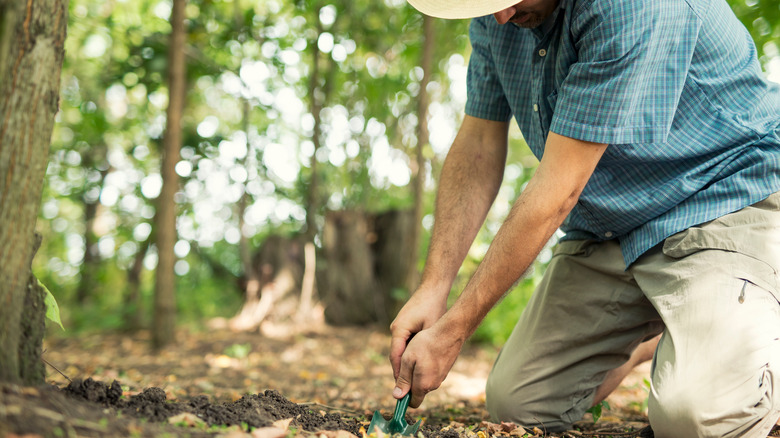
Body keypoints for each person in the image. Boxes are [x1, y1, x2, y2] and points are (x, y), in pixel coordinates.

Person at [387, 0, 780, 436]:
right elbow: (479, 141)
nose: (500, 16)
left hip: (724, 198)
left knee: (696, 419)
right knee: (517, 405)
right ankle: (653, 339)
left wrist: (454, 330)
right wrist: (433, 288)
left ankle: (750, 329)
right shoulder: (496, 13)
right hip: (613, 224)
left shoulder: (631, 7)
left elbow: (557, 191)